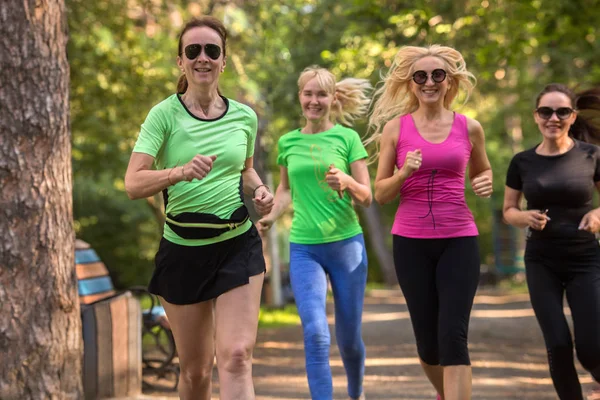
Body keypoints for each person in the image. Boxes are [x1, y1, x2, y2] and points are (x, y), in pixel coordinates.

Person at [124, 17, 273, 400]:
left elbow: (246, 169)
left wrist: (260, 191)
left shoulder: (244, 116)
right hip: (183, 251)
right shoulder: (164, 115)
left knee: (237, 356)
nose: (202, 58)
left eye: (212, 51)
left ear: (223, 61)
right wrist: (178, 172)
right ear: (181, 62)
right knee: (195, 372)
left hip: (236, 244)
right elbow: (133, 182)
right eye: (193, 51)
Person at [367, 45, 493, 400]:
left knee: (454, 335)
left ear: (449, 81)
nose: (429, 82)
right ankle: (445, 394)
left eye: (437, 75)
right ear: (410, 84)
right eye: (420, 76)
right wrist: (404, 172)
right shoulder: (395, 130)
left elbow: (482, 172)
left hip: (459, 239)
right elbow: (380, 193)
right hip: (411, 243)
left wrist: (485, 182)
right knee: (428, 342)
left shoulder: (470, 127)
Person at [257, 66, 372, 400]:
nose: (314, 100)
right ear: (300, 97)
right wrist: (271, 218)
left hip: (347, 246)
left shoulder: (347, 138)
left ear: (333, 99)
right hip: (305, 248)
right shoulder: (288, 142)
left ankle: (356, 393)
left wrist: (348, 182)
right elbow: (285, 190)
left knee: (349, 339)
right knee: (316, 335)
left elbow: (367, 196)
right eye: (308, 94)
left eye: (321, 94)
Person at [503, 83, 600, 400]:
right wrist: (525, 217)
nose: (553, 118)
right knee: (558, 344)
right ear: (536, 116)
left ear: (572, 117)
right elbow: (508, 210)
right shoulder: (522, 162)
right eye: (546, 111)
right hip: (541, 262)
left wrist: (598, 215)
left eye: (562, 111)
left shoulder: (591, 156)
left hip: (586, 261)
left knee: (591, 348)